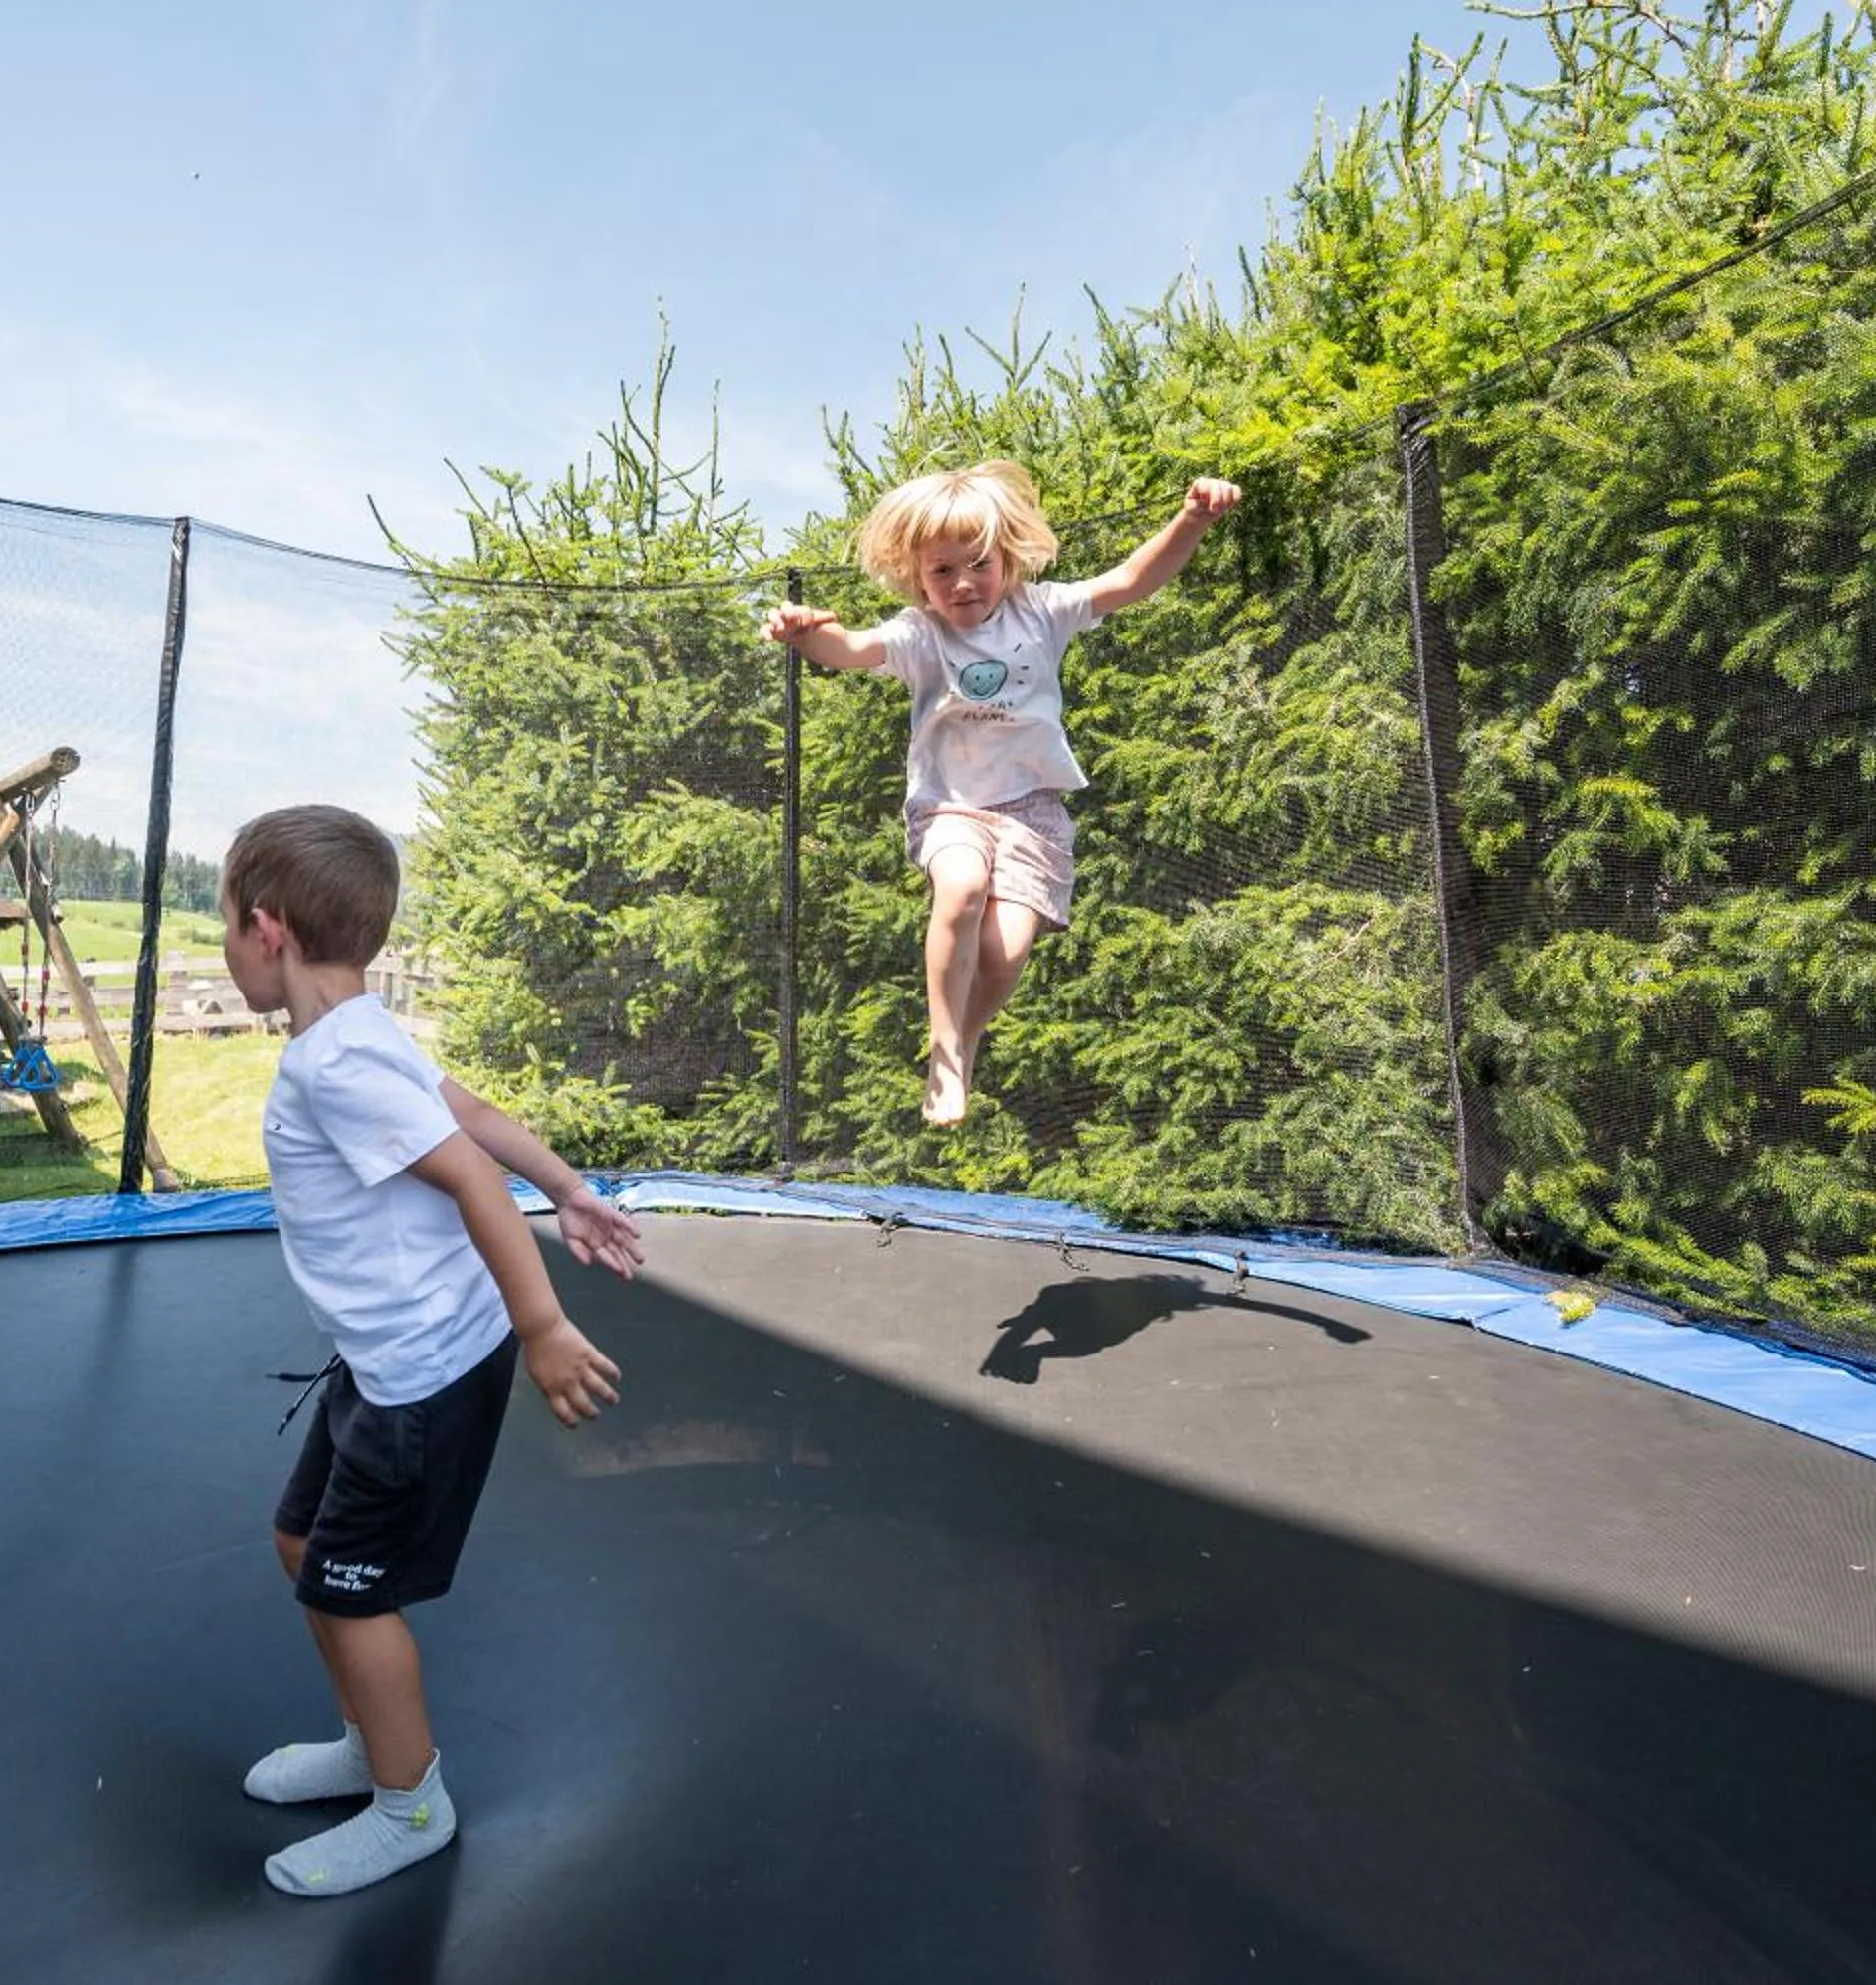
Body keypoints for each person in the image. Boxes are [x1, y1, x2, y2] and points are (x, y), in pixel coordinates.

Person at [219, 802, 642, 1898]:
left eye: (225, 924)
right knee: (299, 1539)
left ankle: (411, 1807)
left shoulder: (334, 1065)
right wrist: (572, 1187)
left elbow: (465, 1174)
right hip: (386, 1361)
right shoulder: (360, 1031)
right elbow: (467, 1110)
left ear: (269, 928)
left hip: (422, 1374)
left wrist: (545, 1324)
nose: (227, 946)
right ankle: (373, 1747)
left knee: (352, 1588)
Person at [762, 462, 1244, 1123]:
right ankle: (945, 1056)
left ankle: (967, 1035)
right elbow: (848, 648)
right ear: (917, 577)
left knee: (1003, 954)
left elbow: (1133, 580)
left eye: (978, 564)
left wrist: (1193, 518)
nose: (962, 583)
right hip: (950, 803)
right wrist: (803, 631)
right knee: (959, 889)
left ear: (1008, 559)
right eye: (942, 571)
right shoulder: (919, 632)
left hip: (1033, 812)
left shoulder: (1042, 612)